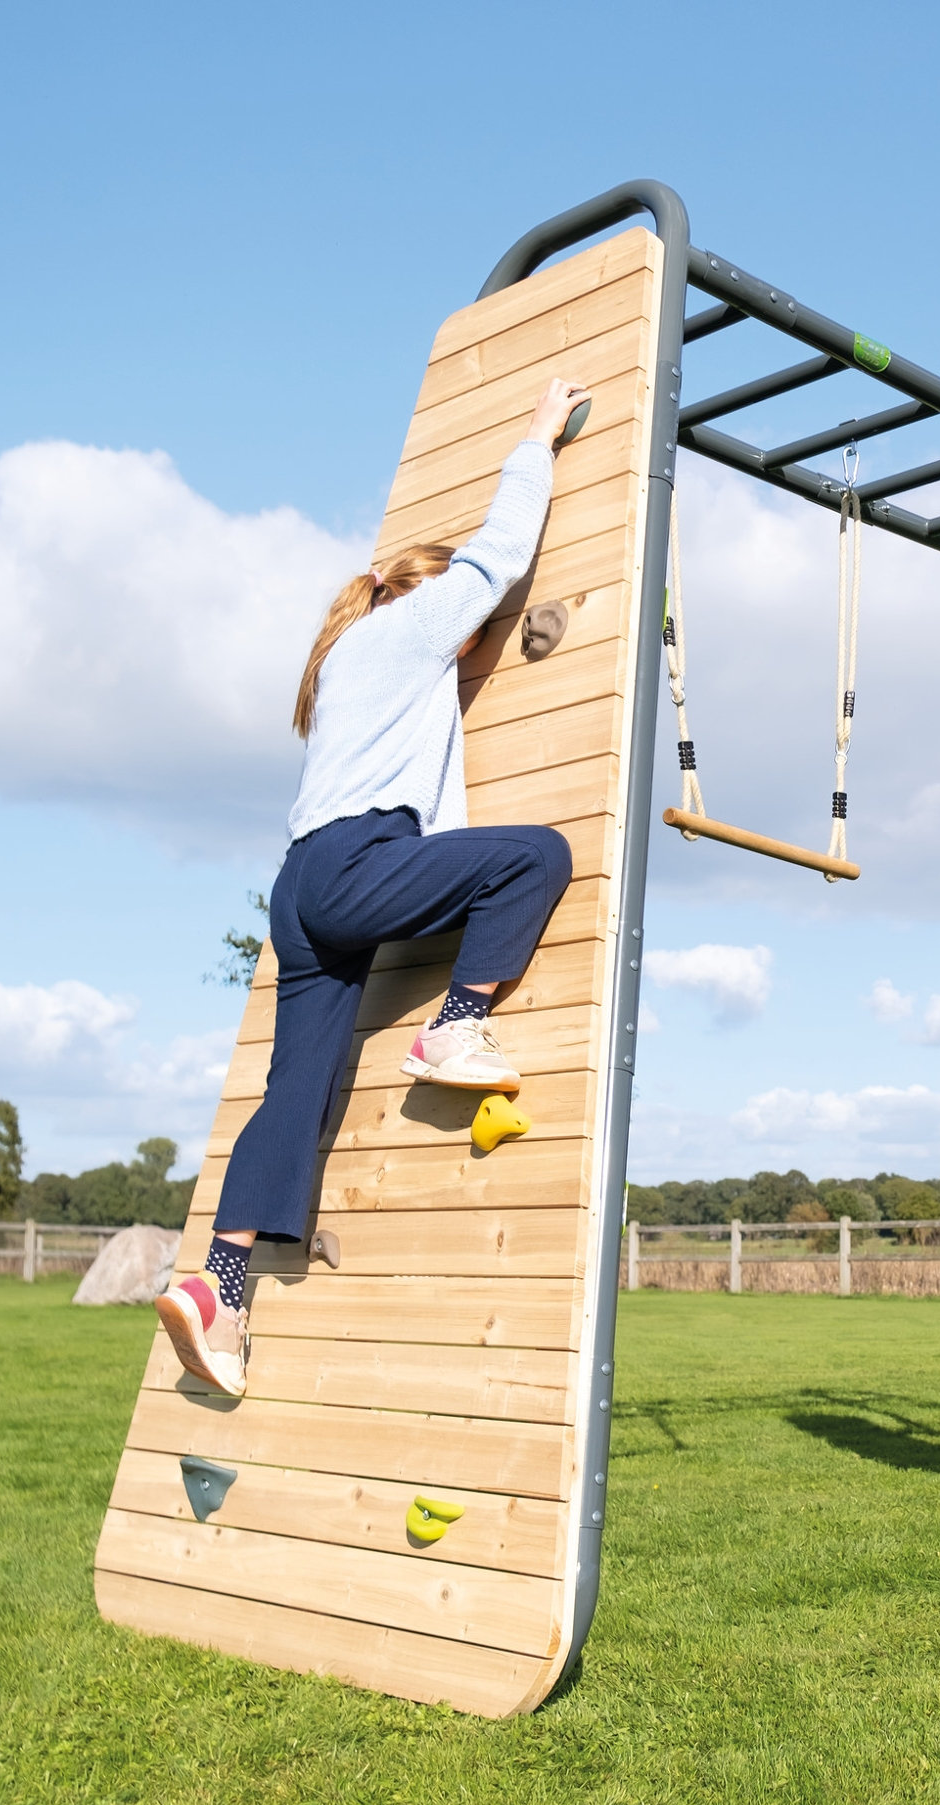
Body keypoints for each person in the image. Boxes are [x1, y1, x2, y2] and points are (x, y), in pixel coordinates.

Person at [157, 376, 590, 1398]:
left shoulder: (349, 659)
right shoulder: (403, 625)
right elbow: (495, 557)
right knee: (535, 856)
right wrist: (536, 436)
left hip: (302, 886)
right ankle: (456, 1025)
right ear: (425, 597)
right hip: (356, 864)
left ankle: (220, 1288)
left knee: (295, 1090)